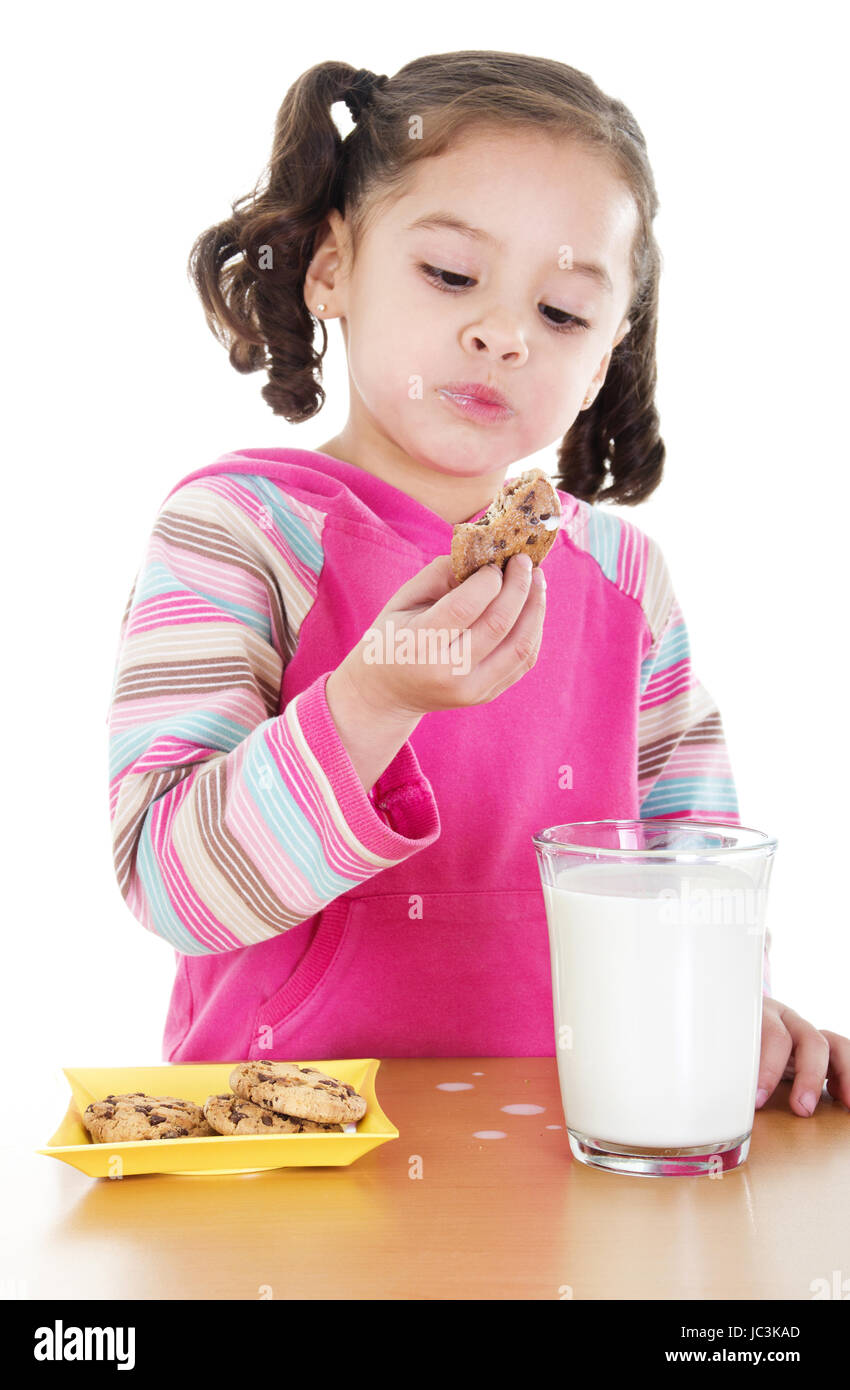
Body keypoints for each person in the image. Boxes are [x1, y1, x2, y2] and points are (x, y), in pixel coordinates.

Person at [107, 51, 848, 1118]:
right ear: (330, 268)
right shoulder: (234, 530)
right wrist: (374, 700)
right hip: (279, 1150)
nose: (501, 333)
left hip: (576, 1148)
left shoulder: (626, 578)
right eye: (451, 275)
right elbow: (178, 891)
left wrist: (738, 1011)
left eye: (559, 313)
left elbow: (694, 880)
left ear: (601, 360)